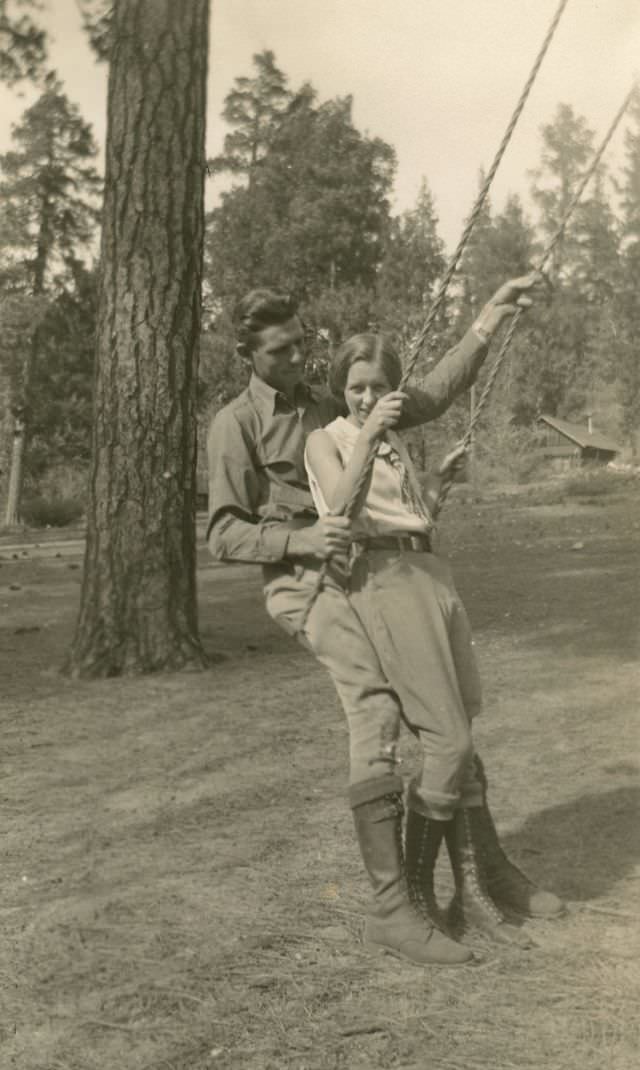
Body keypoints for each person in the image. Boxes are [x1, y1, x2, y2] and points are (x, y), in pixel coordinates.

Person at [206, 281, 564, 967]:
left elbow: (425, 395)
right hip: (306, 583)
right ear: (246, 352)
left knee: (440, 714)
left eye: (302, 343)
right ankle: (395, 909)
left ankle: (489, 875)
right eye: (280, 351)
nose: (296, 358)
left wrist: (488, 320)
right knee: (376, 711)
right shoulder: (235, 424)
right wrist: (300, 543)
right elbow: (224, 533)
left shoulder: (326, 399)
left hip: (363, 570)